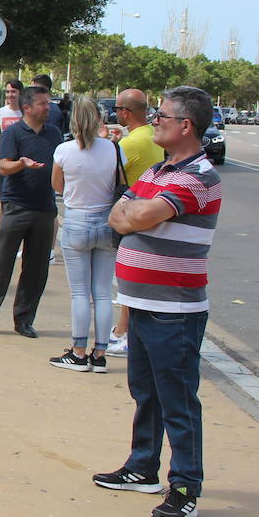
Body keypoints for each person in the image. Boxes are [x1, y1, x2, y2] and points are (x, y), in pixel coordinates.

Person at [92, 86, 221, 517]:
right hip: (141, 301)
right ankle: (143, 467)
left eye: (162, 116)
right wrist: (132, 212)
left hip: (175, 310)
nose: (154, 122)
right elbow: (118, 212)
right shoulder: (160, 169)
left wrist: (134, 213)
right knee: (146, 392)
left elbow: (138, 217)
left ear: (186, 125)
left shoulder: (199, 176)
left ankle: (185, 485)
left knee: (178, 399)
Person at [0, 87, 64, 338]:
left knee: (36, 270)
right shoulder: (14, 133)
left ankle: (24, 320)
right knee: (0, 265)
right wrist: (21, 163)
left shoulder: (54, 133)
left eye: (47, 104)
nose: (47, 108)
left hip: (45, 208)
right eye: (42, 104)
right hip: (16, 207)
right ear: (27, 107)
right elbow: (4, 166)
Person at [48, 96, 125, 373]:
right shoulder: (114, 149)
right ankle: (100, 353)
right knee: (102, 293)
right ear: (99, 117)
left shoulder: (64, 150)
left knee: (79, 293)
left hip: (77, 219)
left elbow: (57, 184)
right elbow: (121, 181)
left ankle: (78, 352)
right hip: (107, 220)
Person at [108, 89, 165, 356]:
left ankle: (122, 332)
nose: (115, 113)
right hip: (152, 214)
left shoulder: (128, 145)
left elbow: (109, 175)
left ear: (126, 113)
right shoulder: (154, 136)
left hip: (130, 214)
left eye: (118, 108)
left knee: (127, 282)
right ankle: (128, 332)